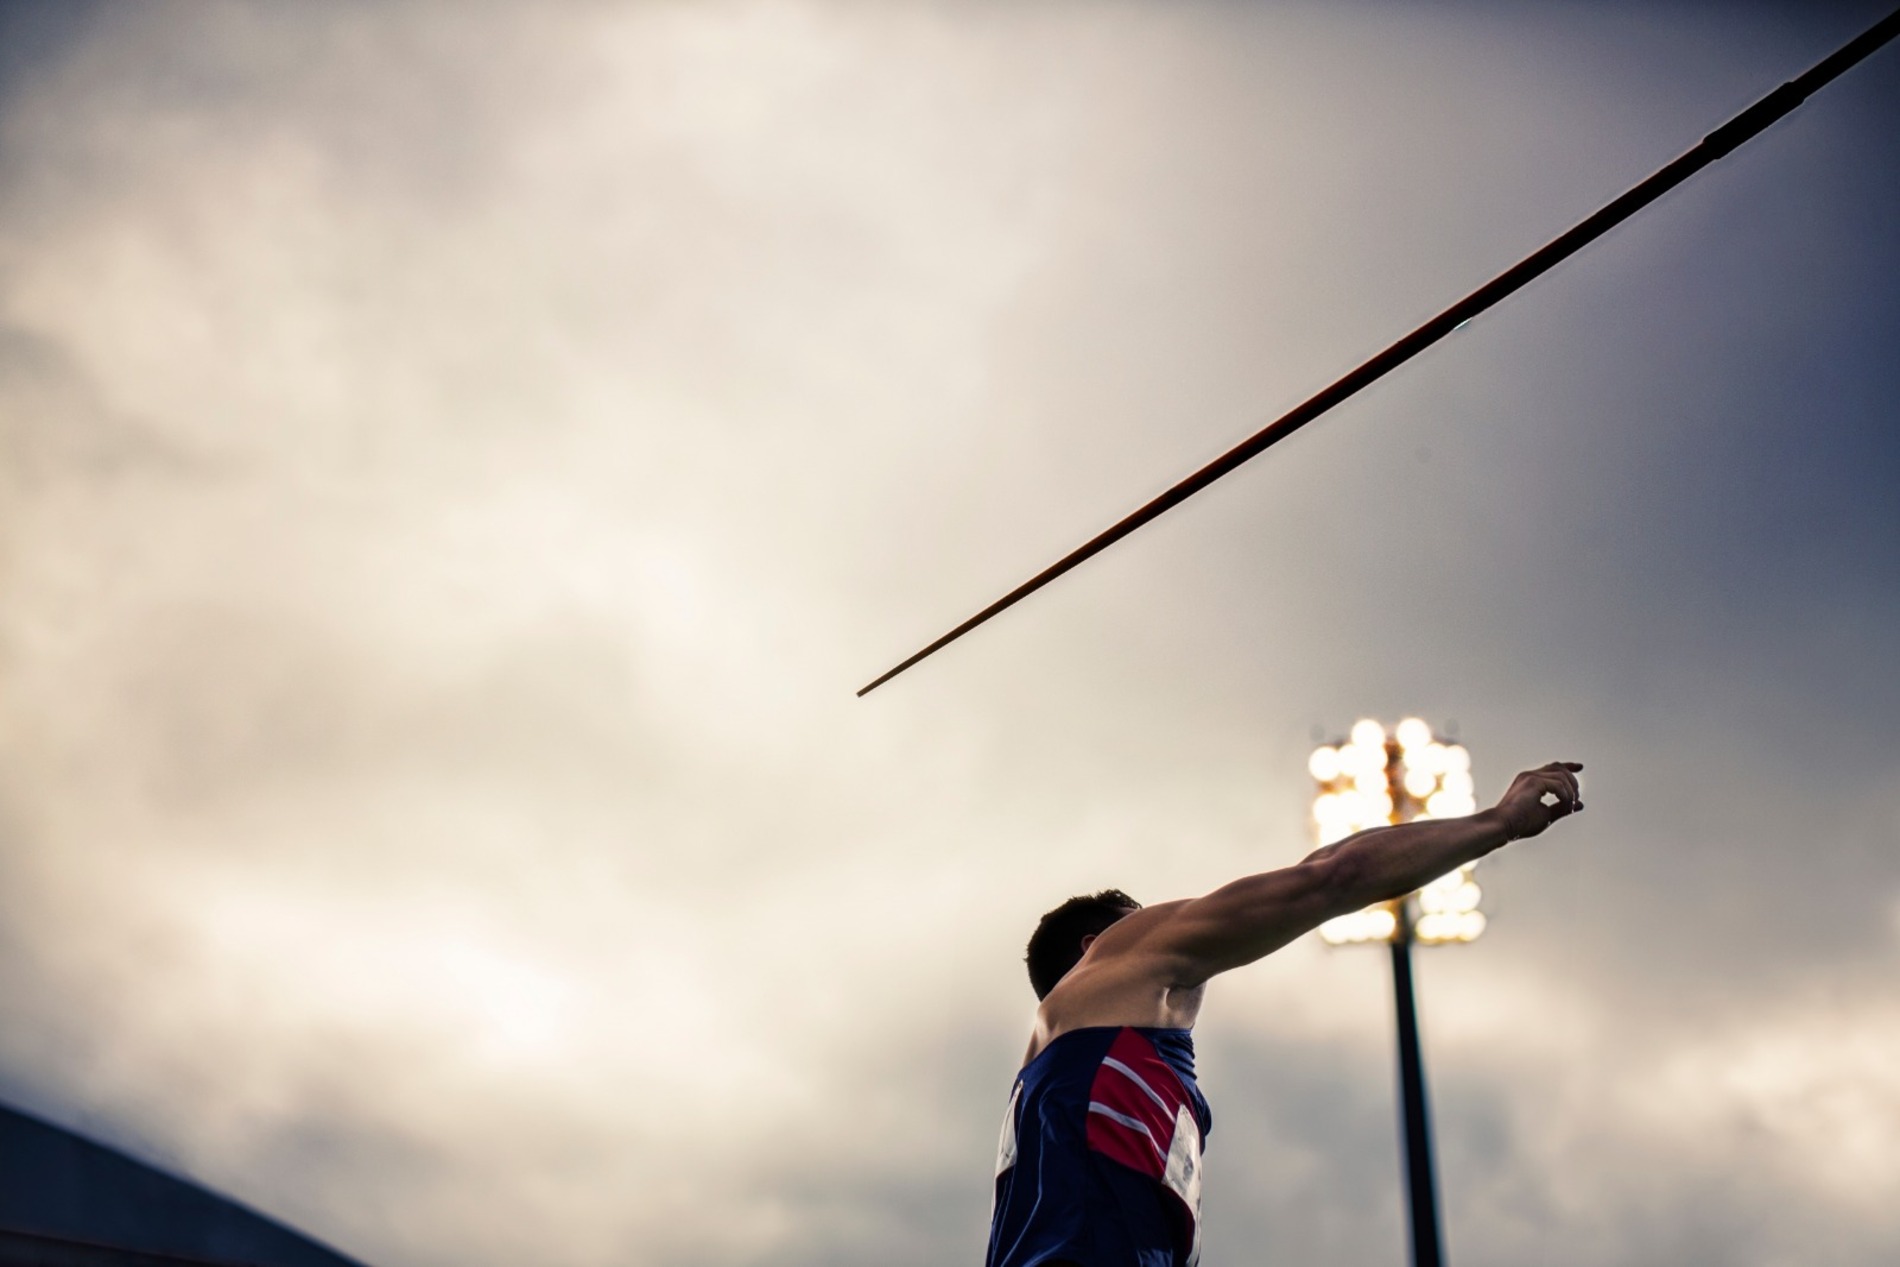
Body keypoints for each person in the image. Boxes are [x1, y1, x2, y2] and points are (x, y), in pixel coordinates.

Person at [986, 760, 1584, 1267]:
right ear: (1095, 946)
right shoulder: (1113, 974)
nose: (1176, 921)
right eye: (1141, 918)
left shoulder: (1053, 1071)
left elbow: (1322, 866)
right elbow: (1330, 882)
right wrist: (1498, 822)